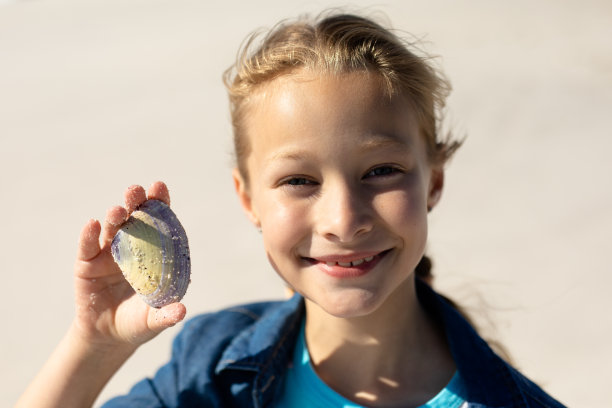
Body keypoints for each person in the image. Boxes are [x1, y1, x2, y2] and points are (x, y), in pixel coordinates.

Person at [17, 11, 565, 408]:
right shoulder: (211, 370)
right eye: (299, 180)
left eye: (380, 171)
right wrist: (95, 345)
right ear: (248, 198)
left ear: (434, 181)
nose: (344, 219)